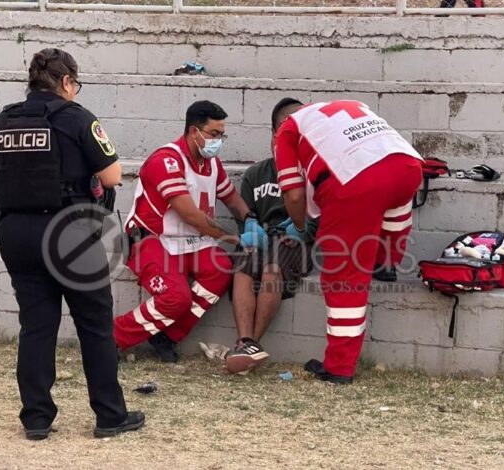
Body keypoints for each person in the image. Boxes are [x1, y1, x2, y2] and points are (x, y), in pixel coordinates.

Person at [0, 48, 144, 439]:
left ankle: (36, 419)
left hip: (16, 232)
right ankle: (110, 416)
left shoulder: (4, 121)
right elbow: (111, 176)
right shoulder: (76, 117)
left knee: (36, 327)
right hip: (69, 233)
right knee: (94, 326)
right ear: (66, 82)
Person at [275, 99, 423, 384]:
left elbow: (293, 195)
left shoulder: (288, 131)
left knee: (343, 276)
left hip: (355, 181)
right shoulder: (346, 106)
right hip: (407, 164)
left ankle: (339, 368)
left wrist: (299, 225)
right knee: (394, 205)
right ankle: (387, 262)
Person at [114, 100, 266, 363]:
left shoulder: (212, 164)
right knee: (176, 297)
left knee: (220, 272)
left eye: (222, 135)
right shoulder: (167, 160)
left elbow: (230, 198)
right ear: (194, 132)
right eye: (214, 134)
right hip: (151, 240)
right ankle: (111, 338)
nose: (219, 141)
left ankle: (166, 336)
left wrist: (249, 218)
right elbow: (191, 215)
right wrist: (234, 237)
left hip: (190, 242)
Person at [224, 97, 318, 374]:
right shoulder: (256, 174)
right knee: (242, 265)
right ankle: (246, 344)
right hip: (262, 240)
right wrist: (250, 229)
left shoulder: (311, 173)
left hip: (293, 243)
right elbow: (245, 215)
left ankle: (251, 343)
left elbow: (319, 217)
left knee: (272, 268)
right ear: (275, 132)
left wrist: (301, 230)